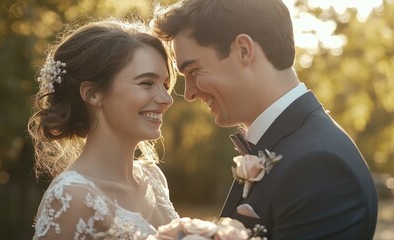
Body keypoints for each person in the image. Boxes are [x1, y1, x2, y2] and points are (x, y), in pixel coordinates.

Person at [151, 0, 378, 239]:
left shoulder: (319, 165)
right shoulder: (289, 145)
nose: (189, 93)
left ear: (243, 50)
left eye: (194, 71)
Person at [28, 19, 179, 239]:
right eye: (147, 83)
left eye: (165, 85)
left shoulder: (154, 178)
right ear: (93, 94)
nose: (167, 99)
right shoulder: (72, 197)